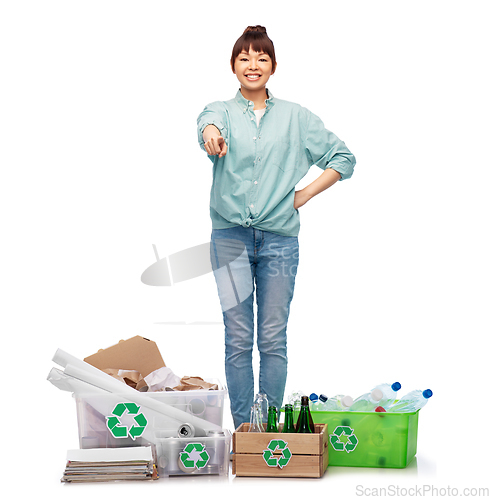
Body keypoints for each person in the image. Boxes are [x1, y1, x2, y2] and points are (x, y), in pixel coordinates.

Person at [197, 26, 356, 428]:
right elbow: (207, 126)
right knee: (237, 337)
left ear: (273, 67)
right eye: (245, 58)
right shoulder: (221, 111)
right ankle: (242, 433)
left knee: (271, 337)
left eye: (261, 58)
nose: (253, 65)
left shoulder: (296, 117)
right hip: (229, 239)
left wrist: (303, 195)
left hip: (279, 242)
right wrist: (211, 135)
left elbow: (343, 158)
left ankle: (266, 432)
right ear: (233, 65)